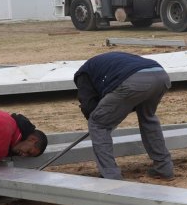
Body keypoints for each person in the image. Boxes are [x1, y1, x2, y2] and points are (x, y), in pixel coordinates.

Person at [74, 51, 173, 180]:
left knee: (97, 124)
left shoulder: (82, 75)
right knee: (148, 118)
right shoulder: (106, 66)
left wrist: (104, 120)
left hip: (132, 80)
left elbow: (88, 106)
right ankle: (164, 168)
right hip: (160, 75)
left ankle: (111, 176)